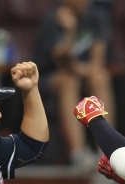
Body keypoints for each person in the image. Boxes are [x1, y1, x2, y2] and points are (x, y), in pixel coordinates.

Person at [32, 0, 114, 169]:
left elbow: (97, 59)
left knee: (100, 77)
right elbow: (60, 59)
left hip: (81, 71)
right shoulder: (53, 18)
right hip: (50, 75)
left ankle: (108, 150)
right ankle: (78, 154)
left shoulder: (97, 16)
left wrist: (85, 69)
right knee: (68, 81)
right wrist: (70, 32)